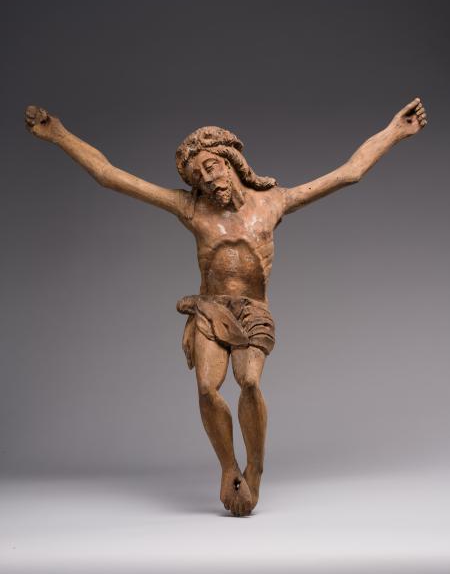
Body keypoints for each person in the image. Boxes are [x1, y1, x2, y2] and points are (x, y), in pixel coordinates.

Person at [25, 98, 427, 516]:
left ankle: (255, 468)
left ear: (232, 161)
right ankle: (228, 467)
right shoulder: (191, 208)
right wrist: (58, 133)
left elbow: (350, 172)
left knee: (248, 381)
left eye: (211, 166)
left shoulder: (273, 202)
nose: (207, 178)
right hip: (210, 310)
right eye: (197, 176)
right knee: (206, 388)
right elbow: (110, 176)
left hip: (253, 311)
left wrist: (394, 132)